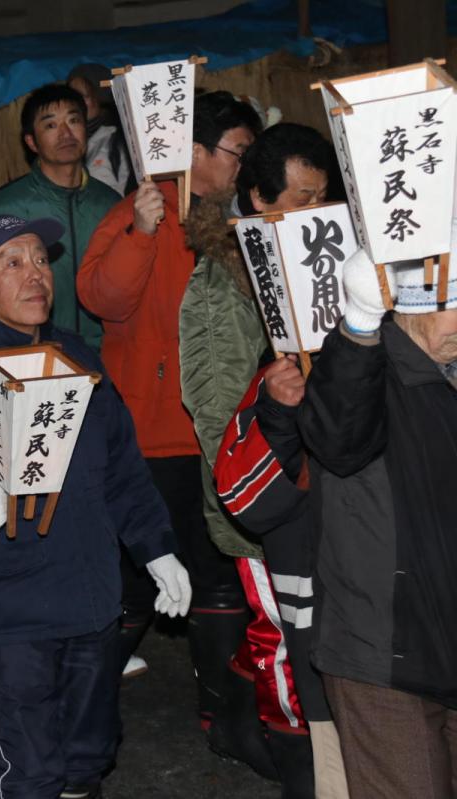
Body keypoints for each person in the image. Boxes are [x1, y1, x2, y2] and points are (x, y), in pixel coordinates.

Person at [0, 213, 191, 798]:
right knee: (29, 769)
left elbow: (122, 467)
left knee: (89, 756)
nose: (36, 274)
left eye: (40, 259)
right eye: (13, 263)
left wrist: (157, 549)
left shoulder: (78, 358)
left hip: (90, 598)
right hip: (9, 609)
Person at [77, 91, 261, 728]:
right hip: (154, 430)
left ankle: (226, 718)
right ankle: (78, 697)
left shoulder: (236, 219)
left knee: (219, 572)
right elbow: (102, 298)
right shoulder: (140, 211)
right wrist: (141, 232)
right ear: (197, 151)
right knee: (136, 575)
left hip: (221, 428)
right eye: (238, 151)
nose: (246, 163)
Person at [178, 122, 335, 790]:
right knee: (283, 644)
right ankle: (292, 760)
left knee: (305, 635)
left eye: (324, 197)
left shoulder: (317, 262)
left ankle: (243, 725)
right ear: (259, 199)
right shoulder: (223, 285)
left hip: (317, 494)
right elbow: (218, 418)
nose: (317, 212)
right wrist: (247, 513)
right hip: (263, 500)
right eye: (303, 199)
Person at [296, 242, 457, 798]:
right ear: (411, 301)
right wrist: (360, 322)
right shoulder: (365, 369)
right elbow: (336, 435)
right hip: (386, 653)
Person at [214, 358, 351, 799]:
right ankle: (276, 745)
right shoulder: (288, 362)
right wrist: (278, 413)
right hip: (326, 613)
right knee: (277, 642)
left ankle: (239, 724)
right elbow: (240, 492)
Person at [0, 83, 120, 351]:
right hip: (29, 355)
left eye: (74, 121)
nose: (65, 133)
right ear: (31, 142)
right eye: (51, 125)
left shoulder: (111, 204)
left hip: (104, 356)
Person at [67, 64, 135, 197]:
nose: (75, 103)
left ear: (100, 96)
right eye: (71, 97)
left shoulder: (120, 141)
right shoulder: (71, 140)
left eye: (83, 96)